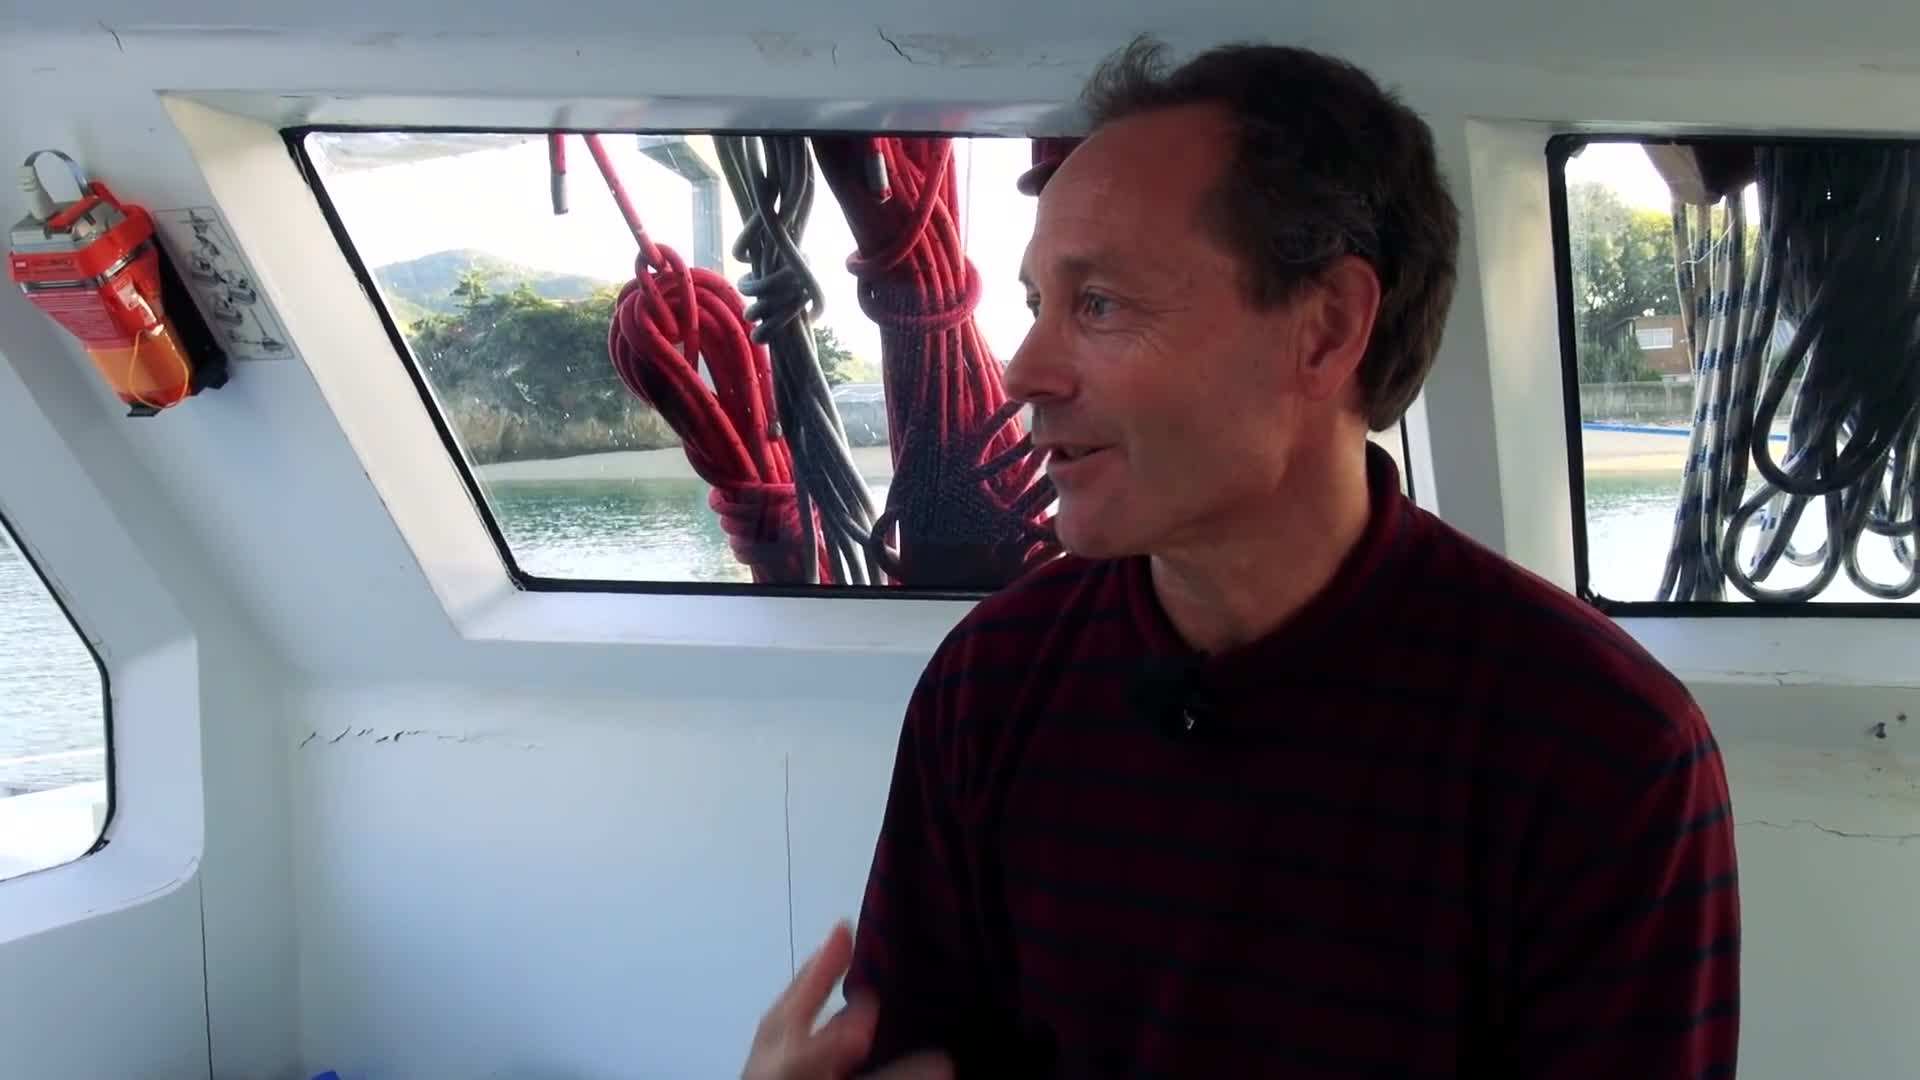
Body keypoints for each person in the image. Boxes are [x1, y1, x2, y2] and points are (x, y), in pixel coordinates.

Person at [744, 36, 1739, 1080]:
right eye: (1039, 304)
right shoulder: (990, 683)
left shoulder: (1600, 747)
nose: (1026, 369)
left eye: (1100, 304)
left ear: (1325, 329)